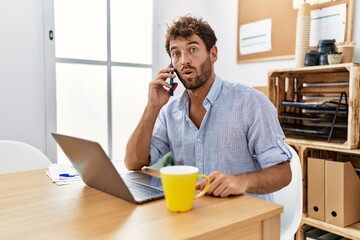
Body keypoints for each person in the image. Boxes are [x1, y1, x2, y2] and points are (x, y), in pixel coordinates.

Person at [125, 15, 292, 201]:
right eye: (176, 53)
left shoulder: (251, 103)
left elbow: (283, 173)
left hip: (245, 218)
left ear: (213, 54)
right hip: (195, 211)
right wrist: (152, 106)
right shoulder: (170, 111)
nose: (184, 61)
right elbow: (133, 162)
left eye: (192, 49)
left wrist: (241, 182)